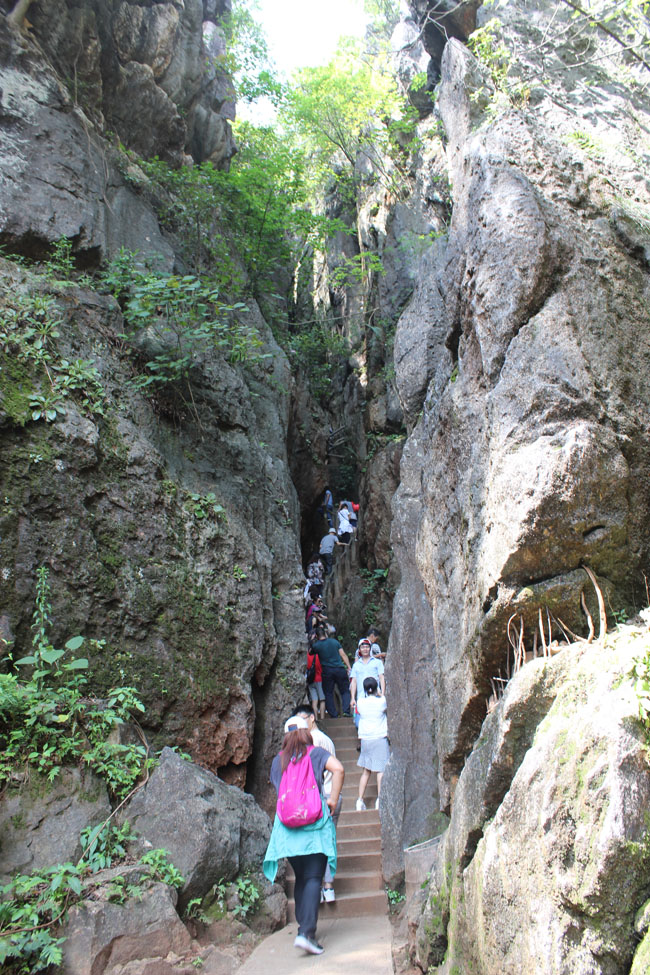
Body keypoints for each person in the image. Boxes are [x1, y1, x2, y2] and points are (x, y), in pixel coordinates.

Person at [263, 715, 344, 955]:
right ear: (306, 733)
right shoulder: (315, 754)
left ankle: (304, 928)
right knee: (313, 877)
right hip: (314, 827)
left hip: (289, 830)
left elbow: (279, 788)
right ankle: (306, 933)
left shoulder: (278, 761)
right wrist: (332, 800)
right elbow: (338, 769)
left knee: (301, 877)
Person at [291, 705, 341, 902]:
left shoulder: (313, 742)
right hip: (332, 793)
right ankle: (328, 886)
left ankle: (317, 886)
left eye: (303, 719)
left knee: (316, 844)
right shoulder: (326, 739)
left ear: (312, 718)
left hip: (320, 797)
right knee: (329, 841)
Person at [355, 677, 389, 812]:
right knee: (380, 770)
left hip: (365, 739)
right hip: (379, 737)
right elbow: (383, 700)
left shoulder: (360, 702)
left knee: (366, 771)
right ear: (376, 688)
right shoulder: (382, 701)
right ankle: (379, 800)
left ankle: (359, 800)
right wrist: (380, 693)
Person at [311, 625, 352, 718]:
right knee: (345, 691)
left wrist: (312, 640)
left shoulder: (316, 646)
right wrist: (349, 667)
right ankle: (346, 711)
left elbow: (310, 651)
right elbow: (343, 654)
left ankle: (333, 715)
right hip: (339, 669)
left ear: (316, 636)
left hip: (327, 671)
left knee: (328, 693)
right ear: (325, 633)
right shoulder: (334, 642)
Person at [306, 646, 325, 721]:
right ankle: (322, 718)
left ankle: (316, 719)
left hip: (310, 680)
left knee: (314, 700)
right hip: (319, 679)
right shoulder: (318, 656)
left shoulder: (307, 656)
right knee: (322, 700)